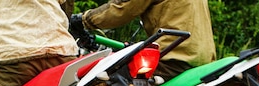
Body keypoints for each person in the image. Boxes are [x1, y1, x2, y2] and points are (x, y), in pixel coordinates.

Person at [69, 0, 216, 81]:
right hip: (203, 61)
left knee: (106, 82)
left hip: (173, 57)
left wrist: (82, 20)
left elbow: (121, 9)